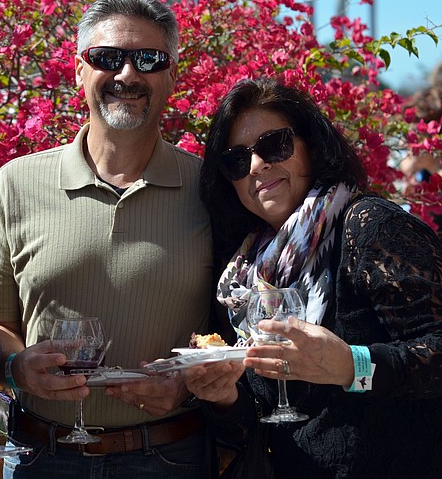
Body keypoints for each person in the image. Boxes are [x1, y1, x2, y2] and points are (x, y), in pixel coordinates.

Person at [0, 0, 215, 478]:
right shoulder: (16, 184)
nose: (127, 74)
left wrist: (189, 383)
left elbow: (233, 326)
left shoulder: (211, 190)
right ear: (79, 70)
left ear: (171, 75)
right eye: (107, 57)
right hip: (41, 458)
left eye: (148, 60)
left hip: (170, 458)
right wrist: (19, 368)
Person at [187, 77, 442, 478]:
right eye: (236, 160)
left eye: (274, 144)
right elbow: (263, 419)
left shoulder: (368, 226)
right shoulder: (246, 273)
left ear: (311, 145)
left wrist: (352, 365)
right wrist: (223, 397)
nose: (256, 165)